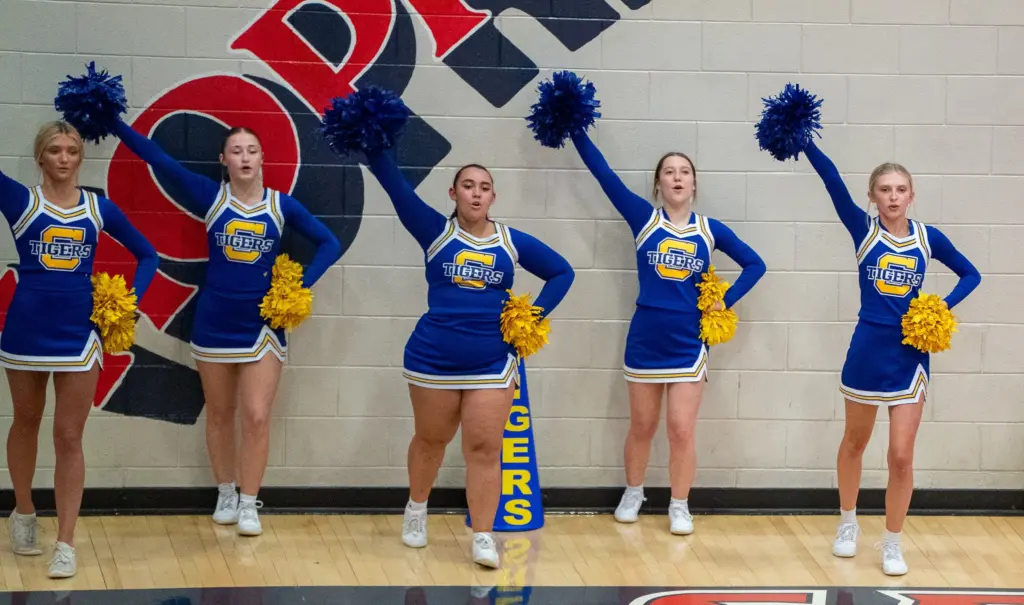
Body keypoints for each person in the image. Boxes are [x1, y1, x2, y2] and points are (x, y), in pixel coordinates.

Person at [323, 87, 574, 569]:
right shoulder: (434, 232)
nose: (476, 193)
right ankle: (417, 509)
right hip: (433, 357)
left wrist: (531, 318)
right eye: (467, 185)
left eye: (484, 187)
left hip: (492, 360)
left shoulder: (511, 242)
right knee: (431, 440)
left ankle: (483, 534)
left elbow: (562, 272)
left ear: (493, 196)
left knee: (484, 447)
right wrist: (372, 138)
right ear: (453, 193)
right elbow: (393, 183)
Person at [755, 84, 981, 576]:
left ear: (912, 195)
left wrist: (938, 308)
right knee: (855, 442)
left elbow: (971, 274)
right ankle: (847, 522)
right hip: (866, 349)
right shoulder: (864, 230)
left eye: (900, 189)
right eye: (884, 189)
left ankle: (893, 541)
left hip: (910, 356)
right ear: (872, 196)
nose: (893, 197)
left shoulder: (928, 238)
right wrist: (804, 138)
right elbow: (831, 179)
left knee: (901, 455)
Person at [105, 119, 342, 537]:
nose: (245, 157)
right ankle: (226, 492)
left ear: (263, 158)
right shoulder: (211, 197)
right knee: (219, 413)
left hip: (262, 326)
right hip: (214, 322)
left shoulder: (281, 206)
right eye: (236, 151)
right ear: (223, 160)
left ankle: (250, 502)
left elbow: (329, 243)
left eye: (252, 150)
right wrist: (112, 122)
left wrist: (298, 286)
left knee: (256, 416)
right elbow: (159, 159)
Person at [567, 133, 766, 535]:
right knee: (642, 425)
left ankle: (679, 504)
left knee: (681, 428)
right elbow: (604, 175)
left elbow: (755, 264)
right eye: (669, 172)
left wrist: (725, 300)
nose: (677, 178)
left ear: (694, 184)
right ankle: (633, 492)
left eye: (684, 172)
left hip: (688, 342)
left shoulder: (709, 230)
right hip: (646, 338)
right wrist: (574, 129)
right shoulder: (644, 219)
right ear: (658, 184)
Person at [1, 121, 159, 578]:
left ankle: (66, 542)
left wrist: (127, 305)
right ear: (40, 157)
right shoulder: (21, 201)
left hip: (80, 335)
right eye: (55, 150)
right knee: (26, 420)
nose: (65, 158)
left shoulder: (98, 208)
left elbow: (147, 254)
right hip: (26, 331)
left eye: (72, 150)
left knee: (69, 436)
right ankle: (23, 512)